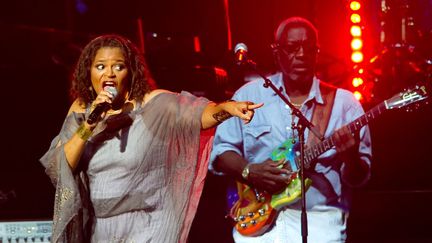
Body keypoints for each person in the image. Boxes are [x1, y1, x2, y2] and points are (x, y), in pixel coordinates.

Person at [39, 34, 263, 243]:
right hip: (102, 230)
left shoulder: (151, 105)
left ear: (131, 72)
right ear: (89, 73)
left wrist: (228, 108)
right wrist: (89, 124)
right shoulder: (82, 110)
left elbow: (198, 115)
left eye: (118, 66)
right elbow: (61, 166)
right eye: (101, 67)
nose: (109, 73)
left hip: (147, 228)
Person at [209, 17, 372, 242]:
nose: (302, 54)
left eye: (309, 47)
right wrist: (250, 171)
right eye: (293, 47)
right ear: (277, 53)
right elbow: (220, 153)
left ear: (317, 52)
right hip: (257, 226)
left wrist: (351, 158)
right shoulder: (248, 96)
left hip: (320, 226)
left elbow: (360, 179)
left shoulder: (345, 104)